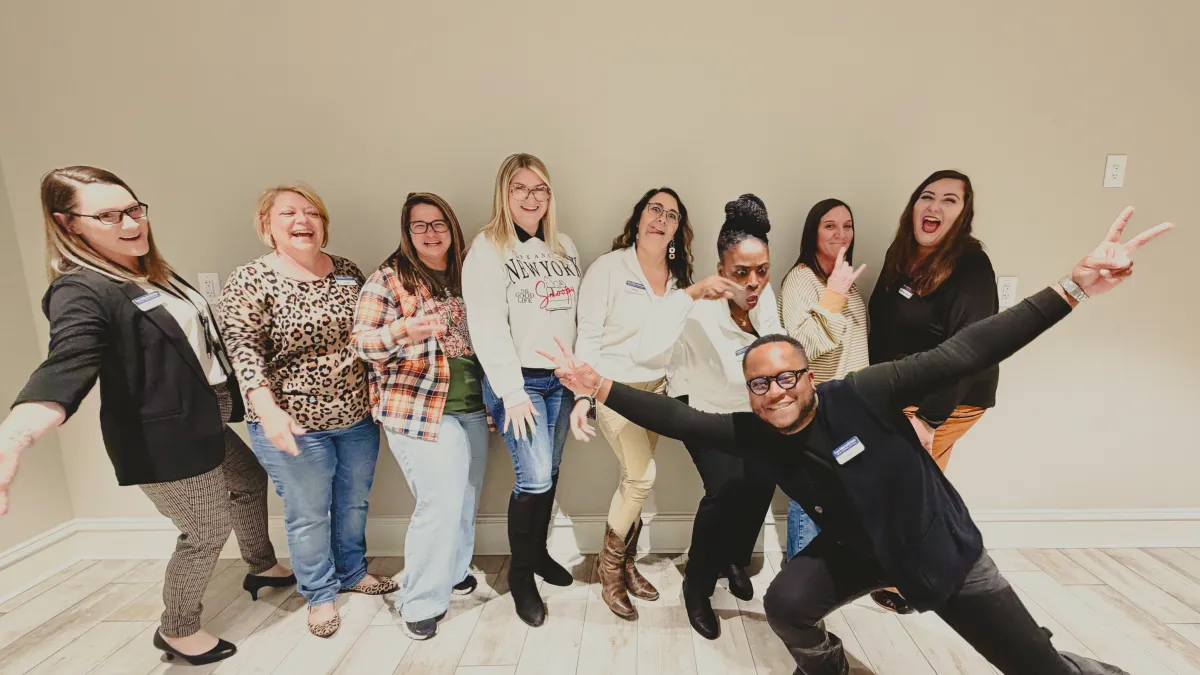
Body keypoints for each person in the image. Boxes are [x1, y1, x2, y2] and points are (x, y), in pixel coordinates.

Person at [542, 206, 1169, 675]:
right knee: (787, 604)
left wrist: (1073, 288)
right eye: (759, 384)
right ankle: (832, 669)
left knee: (1036, 667)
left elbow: (967, 350)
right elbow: (680, 420)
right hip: (858, 551)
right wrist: (598, 385)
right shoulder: (756, 433)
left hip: (937, 549)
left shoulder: (864, 392)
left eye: (787, 377)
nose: (776, 392)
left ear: (807, 377)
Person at [0, 166, 292, 666]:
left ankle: (261, 565)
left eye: (134, 209)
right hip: (162, 436)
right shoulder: (81, 289)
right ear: (67, 223)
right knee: (204, 533)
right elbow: (67, 363)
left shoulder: (146, 270)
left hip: (202, 417)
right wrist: (13, 438)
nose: (131, 223)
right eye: (108, 216)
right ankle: (177, 629)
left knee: (247, 480)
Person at [220, 183, 396, 638]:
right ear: (267, 227)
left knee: (353, 501)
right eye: (288, 213)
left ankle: (352, 572)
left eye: (312, 212)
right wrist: (268, 411)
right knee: (308, 513)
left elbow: (367, 333)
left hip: (356, 417)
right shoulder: (251, 279)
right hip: (292, 423)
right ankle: (319, 594)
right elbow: (243, 352)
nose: (302, 220)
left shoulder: (347, 271)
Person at [624, 194, 782, 639]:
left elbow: (775, 345)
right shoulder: (695, 307)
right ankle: (697, 585)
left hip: (752, 412)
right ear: (720, 269)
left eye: (762, 270)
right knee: (726, 486)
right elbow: (644, 353)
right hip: (706, 411)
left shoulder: (765, 297)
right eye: (741, 272)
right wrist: (691, 294)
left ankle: (733, 558)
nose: (753, 282)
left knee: (761, 482)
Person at [351, 192, 487, 641]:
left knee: (465, 498)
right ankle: (420, 601)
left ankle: (453, 571)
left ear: (453, 228)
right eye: (419, 225)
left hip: (471, 405)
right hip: (418, 409)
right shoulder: (388, 279)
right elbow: (362, 344)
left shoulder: (468, 271)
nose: (431, 233)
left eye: (439, 223)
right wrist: (401, 330)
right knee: (440, 501)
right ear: (407, 233)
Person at [867, 169, 996, 612]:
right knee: (912, 486)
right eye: (927, 196)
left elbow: (972, 347)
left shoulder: (971, 265)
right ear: (914, 205)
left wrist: (930, 418)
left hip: (949, 400)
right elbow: (884, 327)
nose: (935, 206)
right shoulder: (901, 255)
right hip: (903, 394)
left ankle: (918, 582)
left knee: (911, 489)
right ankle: (907, 569)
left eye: (949, 200)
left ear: (963, 214)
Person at [461, 153, 582, 627]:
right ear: (504, 194)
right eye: (520, 188)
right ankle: (521, 574)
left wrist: (580, 381)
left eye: (540, 189)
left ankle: (539, 554)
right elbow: (486, 325)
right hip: (519, 382)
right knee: (533, 478)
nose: (531, 198)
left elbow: (573, 317)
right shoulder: (488, 248)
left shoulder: (563, 245)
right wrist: (511, 392)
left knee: (549, 471)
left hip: (561, 381)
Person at [571, 186, 696, 619]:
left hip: (657, 392)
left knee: (632, 478)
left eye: (672, 215)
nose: (662, 219)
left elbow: (680, 342)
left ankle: (626, 564)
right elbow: (588, 333)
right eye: (654, 210)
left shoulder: (680, 280)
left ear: (678, 229)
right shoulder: (608, 268)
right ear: (639, 218)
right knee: (642, 478)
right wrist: (582, 395)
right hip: (613, 388)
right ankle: (609, 571)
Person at [778, 199, 868, 560]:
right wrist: (833, 296)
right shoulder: (802, 279)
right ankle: (799, 578)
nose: (841, 233)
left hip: (849, 410)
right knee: (812, 494)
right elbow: (800, 349)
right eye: (829, 226)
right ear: (812, 233)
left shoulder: (847, 284)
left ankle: (824, 577)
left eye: (847, 225)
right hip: (819, 410)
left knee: (839, 494)